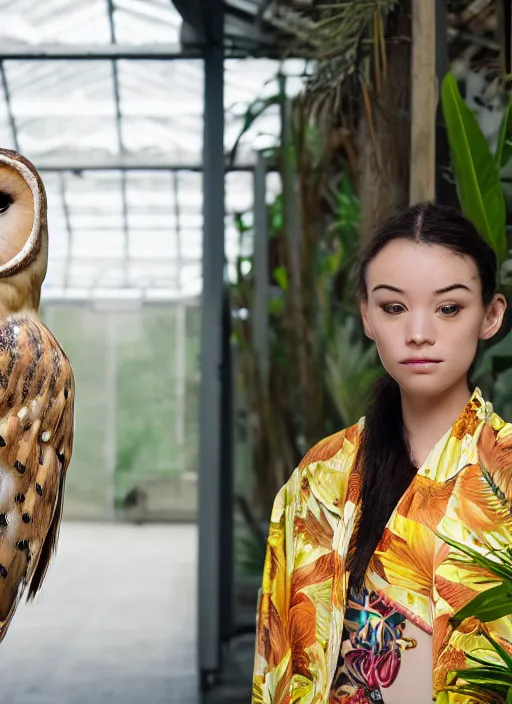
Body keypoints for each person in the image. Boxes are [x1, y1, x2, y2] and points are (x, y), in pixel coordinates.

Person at [251, 202, 512, 704]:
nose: (419, 332)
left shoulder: (505, 472)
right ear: (367, 315)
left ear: (491, 315)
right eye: (394, 307)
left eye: (449, 308)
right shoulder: (319, 476)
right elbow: (277, 657)